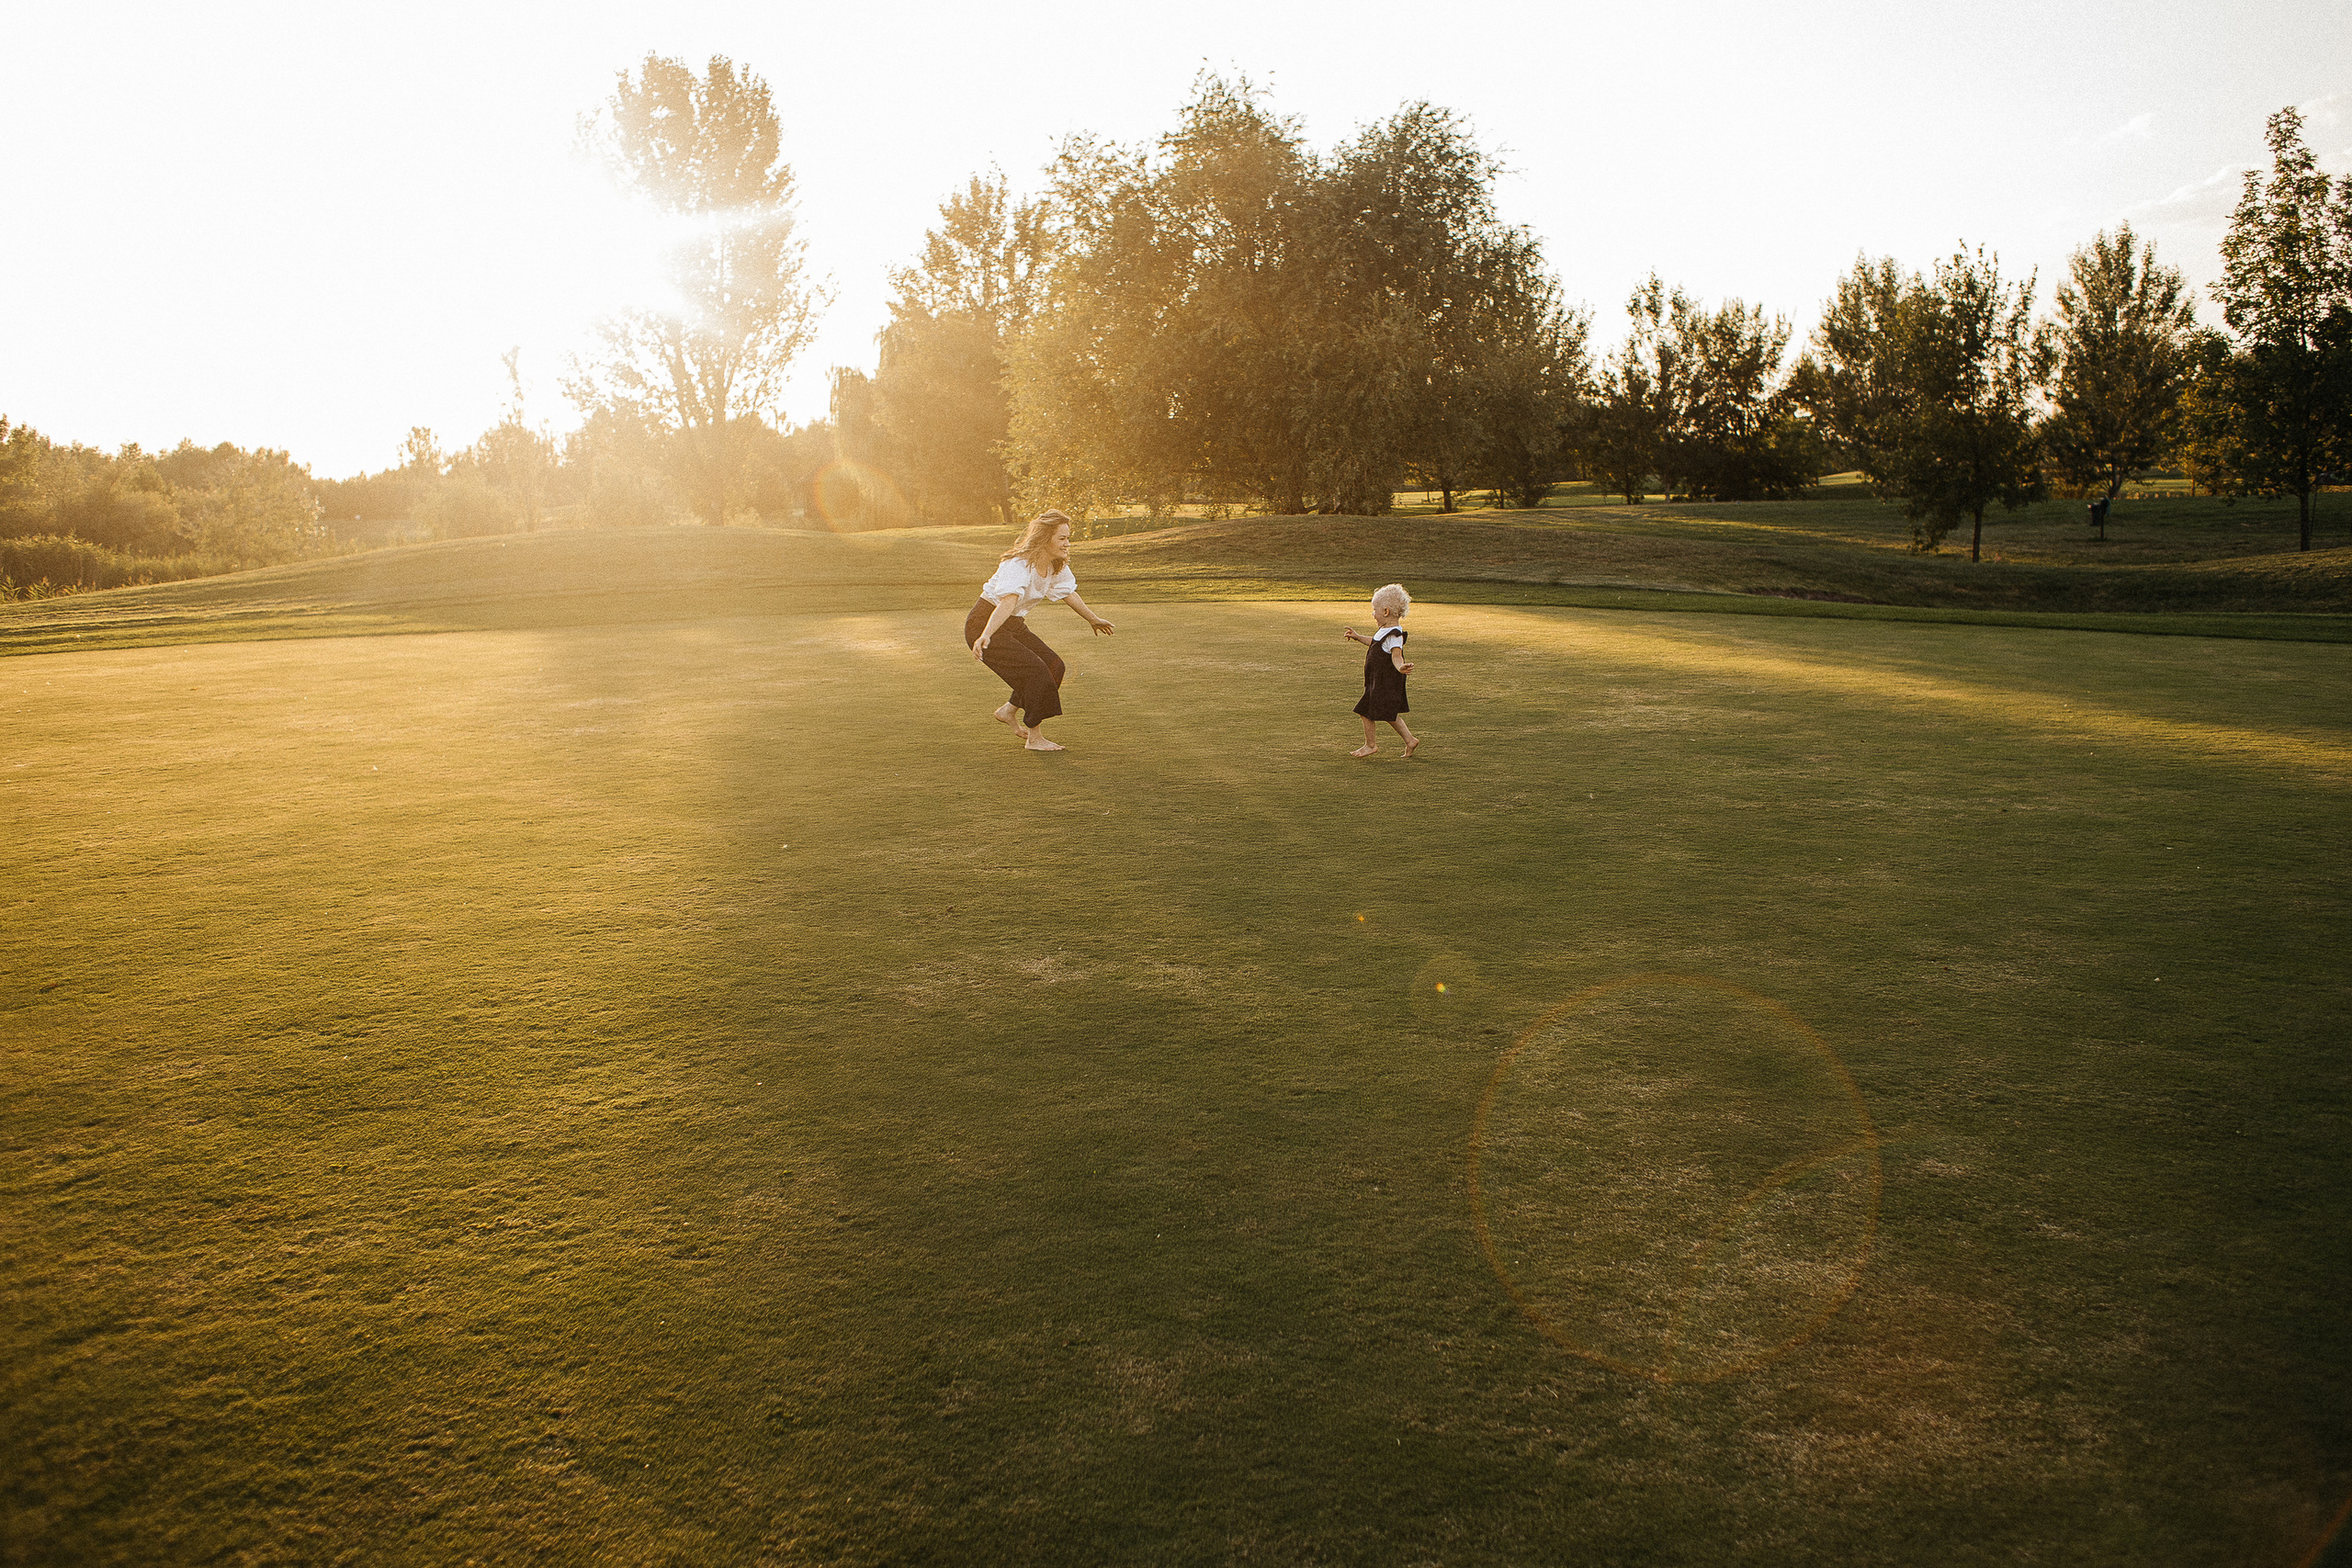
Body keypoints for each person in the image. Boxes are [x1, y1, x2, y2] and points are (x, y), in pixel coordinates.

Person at [966, 510, 1114, 752]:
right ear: (1045, 539)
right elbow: (1008, 602)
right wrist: (986, 634)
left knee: (1054, 665)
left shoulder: (1056, 565)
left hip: (1012, 624)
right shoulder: (1019, 564)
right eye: (1062, 538)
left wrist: (1093, 619)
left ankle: (1008, 711)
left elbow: (1068, 593)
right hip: (985, 622)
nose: (1068, 544)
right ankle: (1034, 738)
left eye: (1068, 538)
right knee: (1035, 671)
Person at [1342, 583, 1419, 759]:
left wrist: (1400, 667)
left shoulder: (1394, 635)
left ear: (1385, 612)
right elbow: (1375, 642)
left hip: (1384, 682)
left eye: (1374, 610)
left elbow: (1396, 656)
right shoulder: (1384, 631)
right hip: (1376, 681)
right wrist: (1357, 637)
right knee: (1388, 713)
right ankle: (1410, 740)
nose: (1372, 614)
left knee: (1365, 710)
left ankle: (1371, 745)